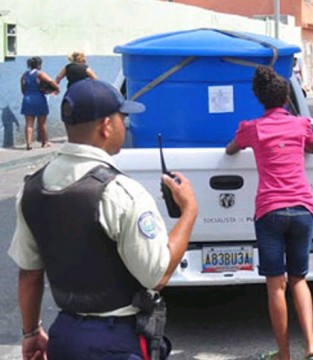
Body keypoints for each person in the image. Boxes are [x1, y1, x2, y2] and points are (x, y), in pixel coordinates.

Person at [8, 79, 198, 359]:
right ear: (106, 126)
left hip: (65, 335)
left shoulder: (32, 189)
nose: (127, 125)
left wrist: (31, 333)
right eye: (123, 117)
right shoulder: (121, 192)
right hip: (116, 340)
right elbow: (156, 275)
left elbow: (29, 273)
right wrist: (189, 212)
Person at [226, 66, 313, 360]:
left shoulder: (252, 128)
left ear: (259, 98)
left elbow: (231, 149)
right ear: (285, 97)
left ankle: (283, 354)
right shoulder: (302, 124)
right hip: (303, 208)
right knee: (299, 279)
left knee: (275, 286)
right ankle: (312, 349)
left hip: (270, 211)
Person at [20, 56, 59, 150]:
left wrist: (27, 94)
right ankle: (44, 142)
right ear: (39, 65)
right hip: (39, 98)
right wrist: (57, 88)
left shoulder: (24, 75)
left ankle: (28, 144)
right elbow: (50, 81)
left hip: (27, 98)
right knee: (42, 123)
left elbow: (22, 88)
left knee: (29, 123)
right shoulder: (39, 74)